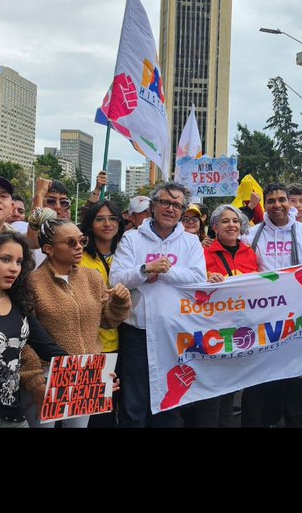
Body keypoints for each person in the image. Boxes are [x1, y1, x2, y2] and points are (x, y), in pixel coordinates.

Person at [109, 181, 207, 428]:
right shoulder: (132, 238)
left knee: (169, 405)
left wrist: (164, 271)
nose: (170, 208)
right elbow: (116, 278)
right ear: (153, 206)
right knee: (134, 407)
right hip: (137, 335)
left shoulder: (191, 242)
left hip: (175, 335)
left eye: (177, 205)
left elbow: (198, 279)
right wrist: (145, 269)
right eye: (165, 202)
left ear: (182, 212)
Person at [20, 214, 131, 429]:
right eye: (70, 242)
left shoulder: (92, 278)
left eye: (82, 240)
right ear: (48, 249)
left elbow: (107, 321)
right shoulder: (32, 283)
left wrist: (120, 302)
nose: (79, 246)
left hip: (84, 371)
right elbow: (24, 337)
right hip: (45, 372)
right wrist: (34, 381)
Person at [240, 182, 302, 427]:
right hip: (259, 324)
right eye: (271, 201)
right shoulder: (252, 235)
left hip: (295, 322)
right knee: (258, 387)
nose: (277, 205)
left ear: (290, 202)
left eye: (281, 200)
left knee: (294, 388)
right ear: (265, 204)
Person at [181, 205, 261, 429]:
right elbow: (190, 284)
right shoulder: (203, 253)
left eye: (235, 221)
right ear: (215, 227)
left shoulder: (249, 253)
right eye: (225, 221)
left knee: (229, 392)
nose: (231, 225)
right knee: (209, 395)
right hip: (211, 330)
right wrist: (206, 277)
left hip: (240, 331)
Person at [0, 230, 66, 428]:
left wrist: (95, 376)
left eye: (18, 262)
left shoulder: (18, 303)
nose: (13, 268)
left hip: (12, 413)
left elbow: (50, 348)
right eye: (5, 259)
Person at [79, 199, 126, 427]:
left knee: (116, 407)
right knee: (94, 413)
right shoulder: (80, 258)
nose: (107, 224)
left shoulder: (127, 254)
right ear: (90, 224)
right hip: (94, 345)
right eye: (100, 219)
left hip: (126, 342)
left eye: (112, 218)